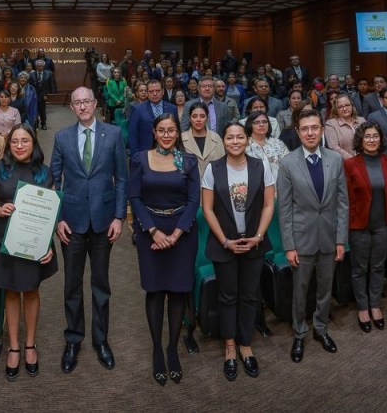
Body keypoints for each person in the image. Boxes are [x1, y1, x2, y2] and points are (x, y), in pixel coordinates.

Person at [51, 87, 127, 374]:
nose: (82, 106)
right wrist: (58, 218)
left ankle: (101, 340)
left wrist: (120, 216)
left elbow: (121, 179)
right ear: (71, 108)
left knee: (100, 284)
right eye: (77, 103)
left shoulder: (114, 134)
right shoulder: (61, 137)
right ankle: (73, 339)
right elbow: (53, 180)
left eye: (87, 101)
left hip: (104, 221)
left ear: (95, 104)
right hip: (71, 222)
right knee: (72, 284)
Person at [0, 124, 57, 380]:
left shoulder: (45, 172)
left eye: (25, 140)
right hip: (5, 239)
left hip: (35, 241)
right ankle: (13, 346)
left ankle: (30, 344)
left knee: (31, 291)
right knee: (11, 291)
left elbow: (51, 211)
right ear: (9, 144)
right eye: (15, 141)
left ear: (34, 143)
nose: (20, 145)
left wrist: (48, 245)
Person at [128, 114, 200, 385]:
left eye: (171, 131)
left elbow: (194, 201)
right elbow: (134, 197)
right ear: (154, 133)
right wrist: (154, 231)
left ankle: (172, 349)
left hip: (182, 232)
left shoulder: (188, 160)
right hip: (150, 231)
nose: (167, 135)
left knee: (179, 290)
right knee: (156, 291)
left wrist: (177, 233)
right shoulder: (139, 159)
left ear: (176, 133)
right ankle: (157, 350)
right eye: (162, 131)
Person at [201, 120, 275, 381]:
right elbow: (208, 209)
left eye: (240, 137)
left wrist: (258, 237)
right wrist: (224, 240)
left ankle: (246, 344)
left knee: (249, 297)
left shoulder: (260, 165)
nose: (235, 142)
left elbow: (268, 204)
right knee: (227, 296)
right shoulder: (213, 168)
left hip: (253, 243)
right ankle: (230, 346)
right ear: (223, 141)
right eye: (230, 137)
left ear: (247, 140)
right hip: (224, 246)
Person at [277, 109, 348, 363]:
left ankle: (321, 329)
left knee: (325, 288)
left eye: (314, 128)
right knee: (301, 290)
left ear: (321, 130)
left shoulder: (335, 160)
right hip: (301, 240)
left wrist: (341, 240)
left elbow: (342, 203)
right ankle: (299, 333)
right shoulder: (287, 163)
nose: (310, 133)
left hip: (329, 238)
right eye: (305, 128)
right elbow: (284, 209)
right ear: (297, 131)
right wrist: (289, 246)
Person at [344, 121, 387, 331]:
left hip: (383, 225)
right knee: (359, 268)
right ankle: (362, 307)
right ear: (360, 140)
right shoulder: (350, 164)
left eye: (375, 136)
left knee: (378, 266)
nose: (372, 140)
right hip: (358, 226)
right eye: (367, 136)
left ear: (381, 139)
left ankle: (375, 304)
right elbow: (347, 199)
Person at [128, 79, 177, 158]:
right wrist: (136, 157)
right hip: (145, 155)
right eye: (151, 91)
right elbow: (132, 136)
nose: (155, 94)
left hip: (169, 154)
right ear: (147, 93)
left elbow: (176, 132)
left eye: (157, 91)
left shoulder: (172, 108)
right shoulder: (138, 109)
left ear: (163, 91)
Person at [180, 103, 225, 177]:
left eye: (202, 116)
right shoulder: (181, 139)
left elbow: (222, 164)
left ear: (207, 118)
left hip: (213, 184)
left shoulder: (216, 138)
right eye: (194, 116)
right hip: (189, 184)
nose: (198, 120)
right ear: (189, 118)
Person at [243, 109, 289, 176]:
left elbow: (288, 165)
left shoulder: (278, 143)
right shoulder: (244, 145)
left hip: (278, 182)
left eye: (264, 122)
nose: (261, 125)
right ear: (250, 125)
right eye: (256, 122)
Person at [324, 93, 366, 159]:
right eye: (340, 107)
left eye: (347, 105)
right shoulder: (331, 124)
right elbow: (333, 147)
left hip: (365, 161)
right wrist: (353, 160)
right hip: (345, 164)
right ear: (336, 109)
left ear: (352, 106)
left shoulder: (361, 120)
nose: (344, 109)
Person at [30, 59, 57, 130]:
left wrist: (47, 95)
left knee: (42, 110)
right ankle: (36, 124)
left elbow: (51, 84)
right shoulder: (31, 74)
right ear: (36, 66)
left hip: (43, 95)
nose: (40, 67)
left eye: (42, 66)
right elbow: (30, 86)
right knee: (35, 110)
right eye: (38, 66)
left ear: (44, 66)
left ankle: (43, 124)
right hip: (34, 96)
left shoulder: (49, 73)